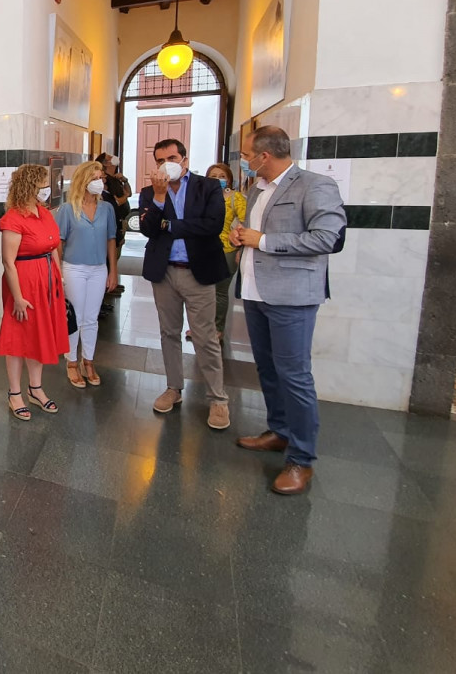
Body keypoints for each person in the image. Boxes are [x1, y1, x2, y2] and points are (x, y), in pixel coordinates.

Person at [231, 126, 346, 495]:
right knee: (267, 369)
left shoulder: (314, 186)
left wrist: (262, 240)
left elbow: (328, 238)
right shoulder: (257, 190)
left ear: (265, 156)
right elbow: (253, 233)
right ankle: (279, 431)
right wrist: (241, 235)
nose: (245, 161)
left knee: (294, 376)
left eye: (248, 155)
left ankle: (301, 459)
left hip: (292, 297)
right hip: (255, 291)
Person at [138, 138, 231, 430]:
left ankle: (218, 398)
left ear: (185, 160)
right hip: (164, 271)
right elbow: (148, 229)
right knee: (169, 332)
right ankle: (173, 388)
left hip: (197, 271)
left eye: (173, 157)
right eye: (161, 160)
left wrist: (173, 226)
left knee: (204, 336)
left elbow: (212, 225)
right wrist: (160, 197)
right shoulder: (149, 192)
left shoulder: (208, 187)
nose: (168, 164)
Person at [0, 164, 69, 420]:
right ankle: (15, 393)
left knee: (39, 335)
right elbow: (8, 261)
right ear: (30, 187)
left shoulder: (44, 213)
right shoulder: (13, 219)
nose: (47, 190)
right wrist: (17, 297)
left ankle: (35, 388)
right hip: (24, 284)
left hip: (47, 283)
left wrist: (59, 278)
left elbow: (52, 247)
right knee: (18, 339)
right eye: (42, 186)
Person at [55, 161, 117, 388]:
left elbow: (111, 240)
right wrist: (59, 271)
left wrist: (113, 271)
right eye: (94, 178)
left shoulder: (106, 208)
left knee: (91, 318)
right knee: (75, 318)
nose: (99, 182)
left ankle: (88, 361)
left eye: (101, 177)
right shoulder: (68, 209)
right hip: (74, 268)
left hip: (99, 269)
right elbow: (58, 243)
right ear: (83, 180)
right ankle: (71, 362)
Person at [197, 162, 246, 343]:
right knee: (201, 291)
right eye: (213, 176)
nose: (218, 180)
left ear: (229, 179)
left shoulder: (236, 198)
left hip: (226, 250)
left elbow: (246, 221)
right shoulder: (200, 197)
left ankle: (217, 329)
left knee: (219, 292)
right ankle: (200, 327)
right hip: (202, 248)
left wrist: (240, 243)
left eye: (222, 176)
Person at [96, 153, 132, 297]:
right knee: (109, 257)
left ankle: (111, 282)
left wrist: (125, 181)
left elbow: (126, 191)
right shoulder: (107, 183)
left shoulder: (116, 178)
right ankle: (107, 287)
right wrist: (126, 197)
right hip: (112, 225)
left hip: (119, 222)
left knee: (115, 254)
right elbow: (116, 201)